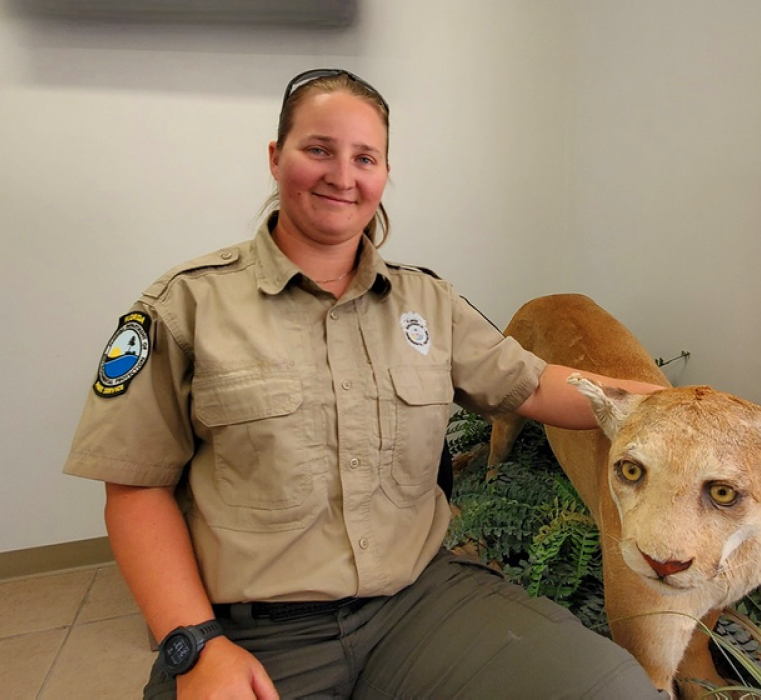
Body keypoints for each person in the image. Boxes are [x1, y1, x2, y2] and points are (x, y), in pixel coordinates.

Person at [64, 69, 668, 698]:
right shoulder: (184, 307)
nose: (342, 175)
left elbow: (537, 386)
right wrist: (196, 647)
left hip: (421, 606)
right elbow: (135, 490)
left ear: (383, 174)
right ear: (277, 158)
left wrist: (688, 405)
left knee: (611, 689)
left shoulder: (427, 302)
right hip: (256, 634)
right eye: (318, 149)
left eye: (365, 157)